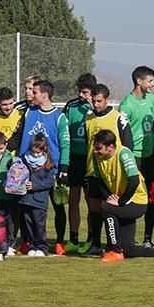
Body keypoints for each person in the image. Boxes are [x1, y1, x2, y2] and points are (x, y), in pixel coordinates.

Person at [9, 79, 71, 255]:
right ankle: (28, 242)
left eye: (34, 92)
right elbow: (19, 136)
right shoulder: (29, 112)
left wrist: (64, 168)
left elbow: (65, 144)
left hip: (51, 170)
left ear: (44, 95)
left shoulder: (59, 117)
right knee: (27, 208)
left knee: (57, 206)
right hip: (28, 170)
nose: (31, 94)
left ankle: (59, 242)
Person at [90, 130, 154, 262]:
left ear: (110, 147)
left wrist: (121, 201)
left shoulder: (124, 153)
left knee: (106, 208)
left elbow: (134, 181)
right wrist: (111, 197)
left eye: (99, 148)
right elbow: (98, 181)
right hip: (122, 200)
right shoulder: (96, 157)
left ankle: (115, 250)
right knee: (129, 249)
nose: (96, 151)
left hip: (137, 201)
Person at [81, 83, 133, 256]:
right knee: (94, 210)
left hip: (112, 174)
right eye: (94, 101)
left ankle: (117, 244)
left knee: (112, 207)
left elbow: (128, 146)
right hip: (93, 172)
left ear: (107, 100)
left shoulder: (119, 118)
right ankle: (96, 243)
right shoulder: (88, 118)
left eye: (99, 101)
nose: (96, 105)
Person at [118, 66, 154, 247]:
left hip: (151, 157)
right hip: (134, 158)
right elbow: (123, 132)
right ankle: (128, 239)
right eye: (150, 81)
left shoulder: (152, 99)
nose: (153, 84)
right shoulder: (126, 105)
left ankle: (148, 238)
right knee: (132, 197)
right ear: (139, 81)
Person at [63, 74, 97, 254]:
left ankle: (92, 239)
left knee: (92, 202)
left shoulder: (96, 109)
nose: (81, 95)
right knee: (73, 200)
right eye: (80, 91)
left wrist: (93, 110)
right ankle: (74, 238)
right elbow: (63, 131)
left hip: (90, 160)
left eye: (85, 92)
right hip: (73, 159)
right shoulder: (71, 106)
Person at [16, 135, 57, 257]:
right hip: (25, 199)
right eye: (34, 152)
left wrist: (35, 186)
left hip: (39, 201)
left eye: (39, 153)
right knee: (28, 224)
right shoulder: (24, 159)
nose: (36, 155)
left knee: (39, 225)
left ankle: (42, 247)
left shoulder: (48, 163)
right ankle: (32, 245)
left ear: (44, 150)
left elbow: (49, 182)